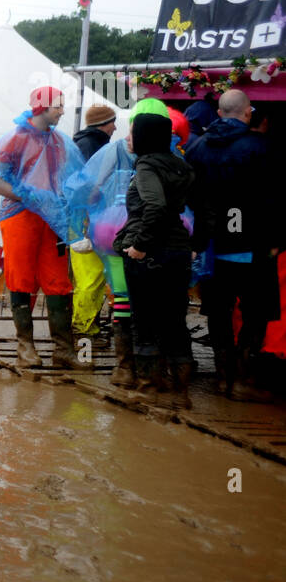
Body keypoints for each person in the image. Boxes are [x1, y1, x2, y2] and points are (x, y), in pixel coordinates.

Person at [185, 88, 279, 401]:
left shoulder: (197, 147)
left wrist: (199, 239)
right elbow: (273, 199)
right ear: (247, 112)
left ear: (220, 112)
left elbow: (192, 198)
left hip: (213, 246)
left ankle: (224, 376)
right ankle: (241, 376)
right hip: (253, 245)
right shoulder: (261, 147)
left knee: (218, 312)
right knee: (256, 313)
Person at [0, 86, 85, 369]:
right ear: (41, 106)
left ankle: (64, 350)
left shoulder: (59, 142)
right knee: (20, 277)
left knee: (58, 280)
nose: (63, 110)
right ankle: (25, 347)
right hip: (21, 215)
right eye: (58, 105)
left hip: (52, 219)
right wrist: (28, 196)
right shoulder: (14, 140)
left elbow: (74, 176)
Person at [114, 111, 196, 407]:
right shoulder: (181, 166)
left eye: (132, 133)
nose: (127, 138)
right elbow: (205, 206)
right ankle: (180, 392)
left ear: (145, 137)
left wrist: (139, 245)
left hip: (151, 253)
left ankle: (148, 387)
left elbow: (155, 207)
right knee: (175, 320)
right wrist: (195, 244)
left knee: (145, 320)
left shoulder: (147, 166)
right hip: (178, 251)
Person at [65, 125, 138, 387]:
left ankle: (89, 342)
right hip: (89, 232)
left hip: (101, 232)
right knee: (88, 287)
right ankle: (83, 352)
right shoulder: (100, 164)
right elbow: (86, 193)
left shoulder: (108, 163)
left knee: (99, 289)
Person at [68, 103, 118, 348]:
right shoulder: (91, 146)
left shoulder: (84, 143)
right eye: (112, 122)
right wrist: (87, 222)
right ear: (102, 124)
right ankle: (83, 333)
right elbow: (85, 187)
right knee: (89, 279)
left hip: (86, 221)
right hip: (85, 222)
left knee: (93, 278)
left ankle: (87, 327)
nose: (115, 127)